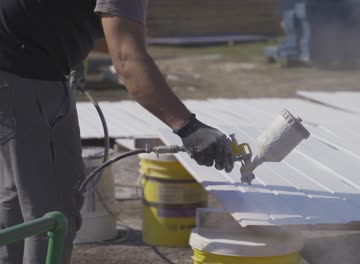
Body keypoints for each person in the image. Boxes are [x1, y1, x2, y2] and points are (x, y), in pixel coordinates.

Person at [0, 0, 234, 263]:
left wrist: (69, 50)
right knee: (53, 214)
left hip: (18, 65)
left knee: (16, 199)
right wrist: (188, 127)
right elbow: (126, 59)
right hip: (21, 73)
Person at [277, 0, 312, 65]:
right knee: (300, 33)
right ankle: (297, 58)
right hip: (296, 7)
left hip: (290, 9)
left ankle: (294, 57)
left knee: (294, 34)